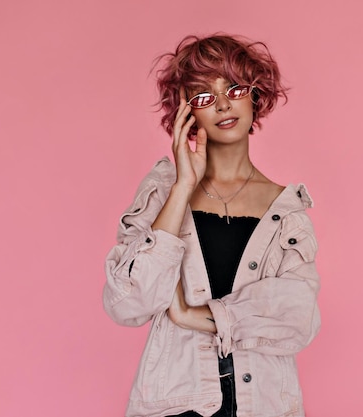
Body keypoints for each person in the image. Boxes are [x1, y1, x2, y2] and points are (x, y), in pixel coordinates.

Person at [103, 34, 320, 417]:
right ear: (186, 113)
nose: (222, 104)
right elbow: (129, 303)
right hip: (176, 405)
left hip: (265, 405)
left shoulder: (286, 210)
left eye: (234, 88)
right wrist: (183, 186)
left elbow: (298, 317)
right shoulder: (164, 192)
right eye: (203, 95)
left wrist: (194, 316)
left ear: (255, 95)